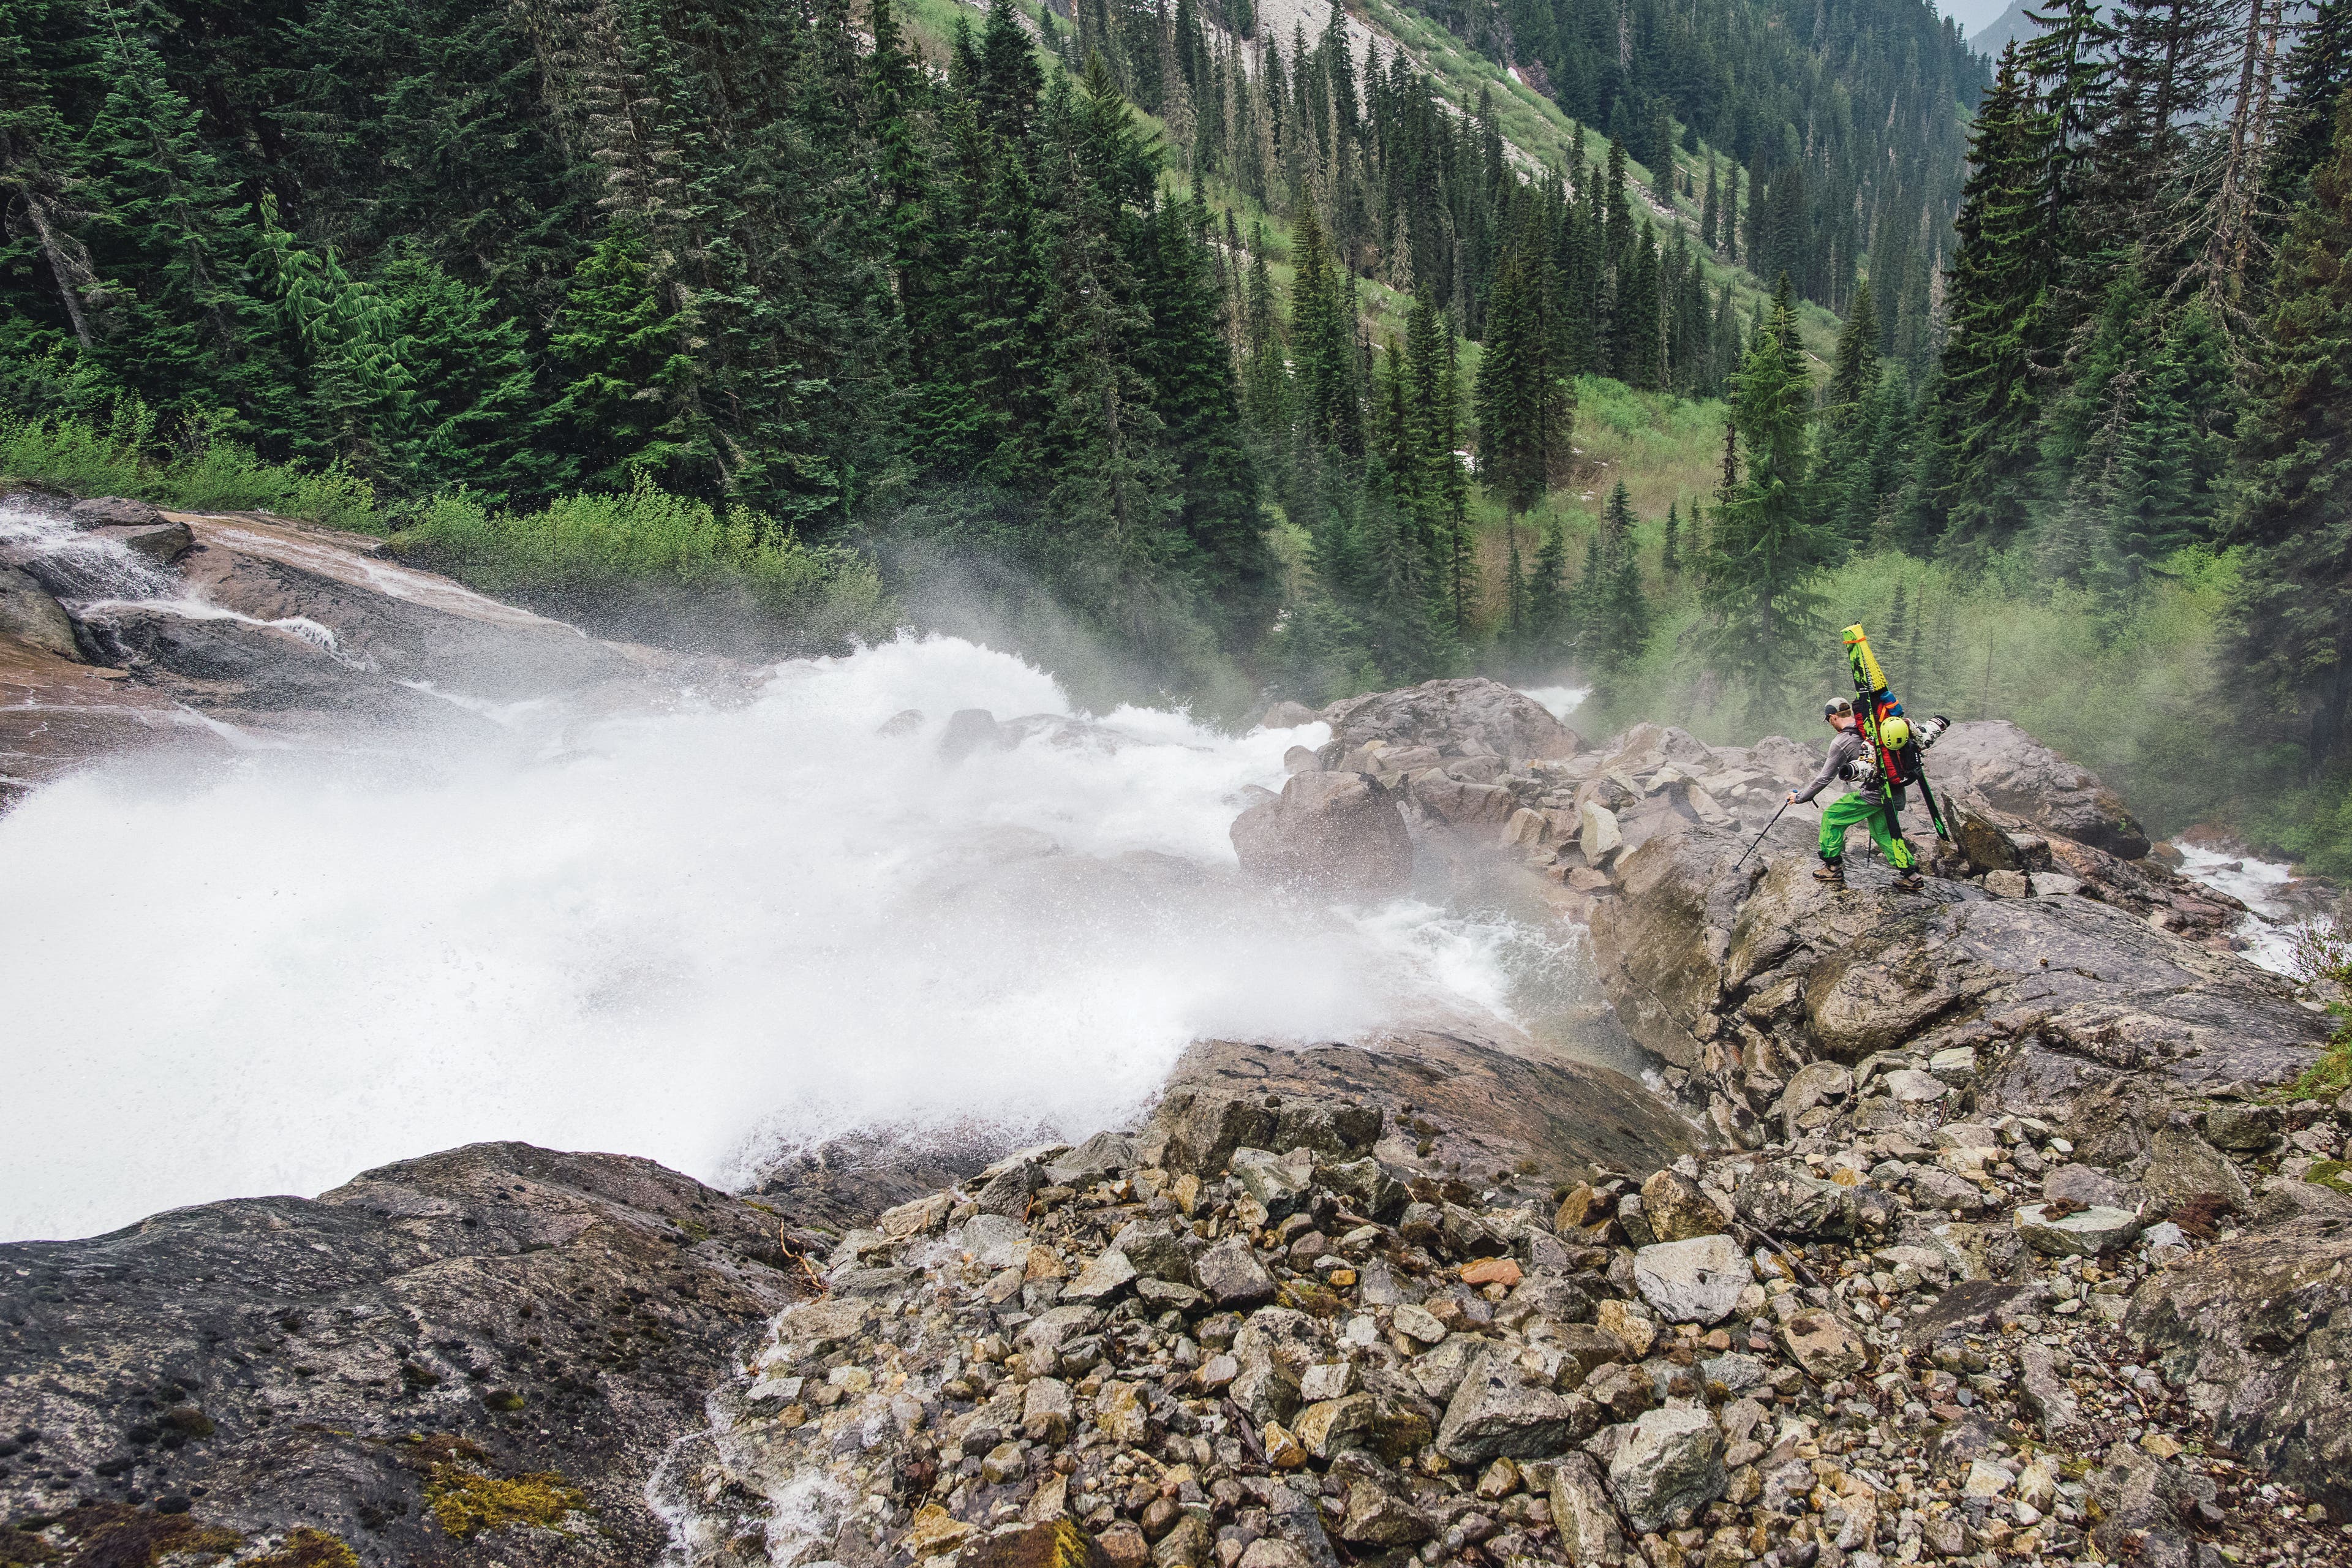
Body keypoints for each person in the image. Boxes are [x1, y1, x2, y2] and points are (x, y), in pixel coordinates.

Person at [1787, 698, 1924, 891]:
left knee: (1833, 818)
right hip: (1894, 792)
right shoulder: (1870, 729)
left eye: (1829, 721)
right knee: (1884, 833)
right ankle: (1912, 875)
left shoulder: (1842, 741)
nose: (1830, 725)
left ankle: (1832, 867)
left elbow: (1824, 778)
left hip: (1873, 794)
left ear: (1833, 717)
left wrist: (1800, 797)